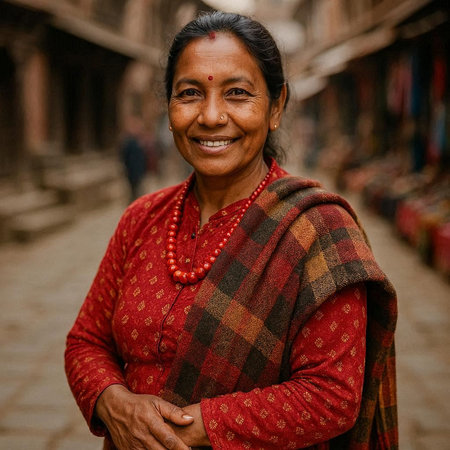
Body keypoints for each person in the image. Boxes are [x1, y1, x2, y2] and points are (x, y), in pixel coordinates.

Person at [65, 11, 398, 450]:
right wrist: (114, 402)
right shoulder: (142, 218)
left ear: (276, 107)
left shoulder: (319, 231)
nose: (211, 116)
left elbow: (332, 396)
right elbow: (86, 341)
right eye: (189, 94)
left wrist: (192, 425)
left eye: (237, 94)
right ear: (168, 109)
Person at [120, 116, 147, 203]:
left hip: (138, 169)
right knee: (133, 188)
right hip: (131, 169)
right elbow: (125, 156)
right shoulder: (129, 142)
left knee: (138, 188)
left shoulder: (139, 141)